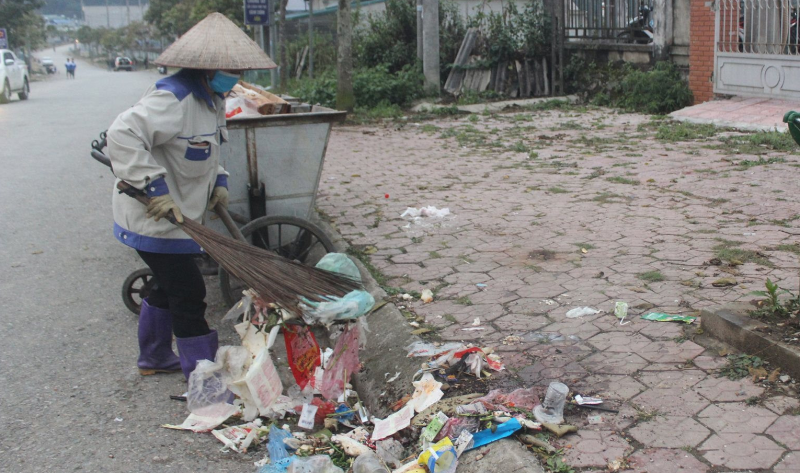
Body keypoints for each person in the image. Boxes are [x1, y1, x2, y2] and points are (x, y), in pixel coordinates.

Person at [106, 13, 276, 380]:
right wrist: (153, 186)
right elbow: (121, 135)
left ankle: (153, 358)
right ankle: (206, 385)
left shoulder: (212, 99)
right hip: (153, 218)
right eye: (232, 70)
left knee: (168, 286)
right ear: (206, 68)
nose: (236, 76)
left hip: (185, 217)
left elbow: (208, 150)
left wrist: (220, 182)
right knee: (189, 292)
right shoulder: (173, 99)